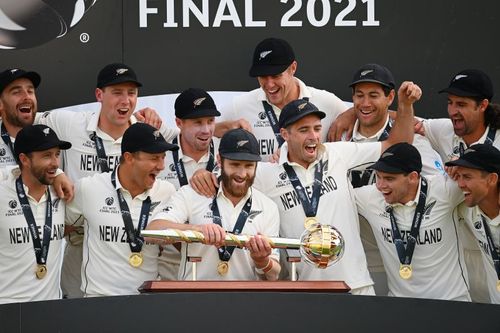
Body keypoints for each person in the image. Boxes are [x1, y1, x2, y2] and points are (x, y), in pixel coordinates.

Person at [36, 63, 178, 298]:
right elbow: (24, 126)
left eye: (131, 93)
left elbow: (193, 138)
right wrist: (55, 173)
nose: (126, 100)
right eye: (117, 92)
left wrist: (227, 127)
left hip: (135, 265)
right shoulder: (69, 124)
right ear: (99, 95)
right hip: (81, 255)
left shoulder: (148, 134)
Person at [345, 63, 445, 294]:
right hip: (355, 257)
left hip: (400, 254)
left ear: (390, 97)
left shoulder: (414, 139)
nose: (365, 103)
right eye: (359, 96)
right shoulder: (338, 134)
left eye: (373, 95)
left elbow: (434, 188)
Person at [147, 128, 281, 281]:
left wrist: (262, 261)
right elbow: (153, 232)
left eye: (249, 166)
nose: (242, 174)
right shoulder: (192, 193)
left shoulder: (268, 207)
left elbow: (273, 275)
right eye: (235, 164)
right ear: (219, 160)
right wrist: (196, 230)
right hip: (195, 298)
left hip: (245, 300)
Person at [65, 123, 178, 297]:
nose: (162, 166)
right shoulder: (89, 188)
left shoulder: (167, 191)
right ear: (129, 157)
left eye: (163, 157)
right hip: (98, 302)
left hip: (146, 304)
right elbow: (60, 226)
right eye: (155, 158)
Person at [352, 143, 470, 301]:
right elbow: (334, 197)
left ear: (413, 177)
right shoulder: (370, 197)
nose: (380, 186)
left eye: (389, 178)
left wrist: (465, 166)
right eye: (378, 176)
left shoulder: (445, 190)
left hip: (452, 303)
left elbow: (488, 178)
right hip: (401, 306)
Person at [215, 38, 348, 161]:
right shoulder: (239, 106)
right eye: (262, 77)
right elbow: (201, 132)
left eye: (276, 76)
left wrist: (352, 114)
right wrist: (224, 127)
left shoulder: (326, 102)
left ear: (293, 68)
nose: (269, 84)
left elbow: (364, 124)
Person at [0, 124, 71, 304]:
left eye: (57, 154)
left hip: (51, 312)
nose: (55, 163)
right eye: (46, 155)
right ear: (24, 159)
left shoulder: (63, 194)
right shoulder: (3, 192)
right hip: (7, 310)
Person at [157, 88, 221, 280]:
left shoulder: (226, 152)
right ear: (179, 123)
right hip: (167, 265)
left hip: (213, 264)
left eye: (210, 121)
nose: (206, 130)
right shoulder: (160, 155)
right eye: (198, 122)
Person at [0, 68, 73, 198]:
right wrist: (55, 173)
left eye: (30, 91)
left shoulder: (48, 132)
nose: (27, 97)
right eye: (16, 92)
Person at [446, 144, 500, 304]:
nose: (460, 184)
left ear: (492, 179)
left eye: (467, 177)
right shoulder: (467, 207)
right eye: (459, 176)